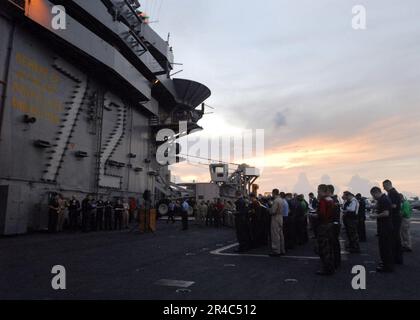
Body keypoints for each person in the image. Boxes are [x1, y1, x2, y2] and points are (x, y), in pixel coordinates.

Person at [370, 187, 394, 272]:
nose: (373, 197)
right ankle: (385, 263)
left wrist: (374, 216)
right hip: (384, 226)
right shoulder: (383, 199)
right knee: (384, 247)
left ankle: (387, 266)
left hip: (385, 227)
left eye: (373, 195)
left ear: (376, 193)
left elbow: (386, 213)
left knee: (385, 247)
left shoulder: (384, 200)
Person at [314, 184, 336, 276]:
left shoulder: (323, 201)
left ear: (322, 191)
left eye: (318, 190)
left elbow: (322, 214)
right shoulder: (330, 200)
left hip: (323, 225)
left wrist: (316, 216)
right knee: (329, 247)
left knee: (323, 248)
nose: (317, 192)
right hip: (330, 225)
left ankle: (326, 269)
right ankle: (330, 267)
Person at [383, 180, 403, 265]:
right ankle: (396, 258)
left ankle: (396, 258)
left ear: (388, 185)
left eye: (384, 186)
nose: (383, 188)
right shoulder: (392, 193)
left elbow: (394, 205)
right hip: (395, 218)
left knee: (395, 239)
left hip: (395, 218)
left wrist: (384, 205)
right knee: (395, 238)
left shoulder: (393, 193)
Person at [328, 185, 342, 269]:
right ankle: (336, 261)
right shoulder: (335, 200)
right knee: (335, 244)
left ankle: (335, 262)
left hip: (333, 224)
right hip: (336, 223)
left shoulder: (332, 201)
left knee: (333, 244)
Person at [269, 189, 286, 256]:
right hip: (280, 217)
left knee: (275, 234)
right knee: (280, 234)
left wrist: (269, 209)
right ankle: (282, 249)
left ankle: (276, 250)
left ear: (273, 193)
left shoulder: (276, 201)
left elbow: (273, 211)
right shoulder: (281, 200)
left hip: (275, 217)